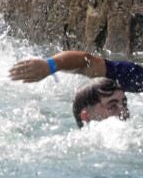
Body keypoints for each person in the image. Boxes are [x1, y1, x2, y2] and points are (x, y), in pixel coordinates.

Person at [9, 48, 143, 124]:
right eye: (114, 106)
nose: (124, 112)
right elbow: (86, 62)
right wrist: (49, 66)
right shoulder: (137, 77)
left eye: (123, 104)